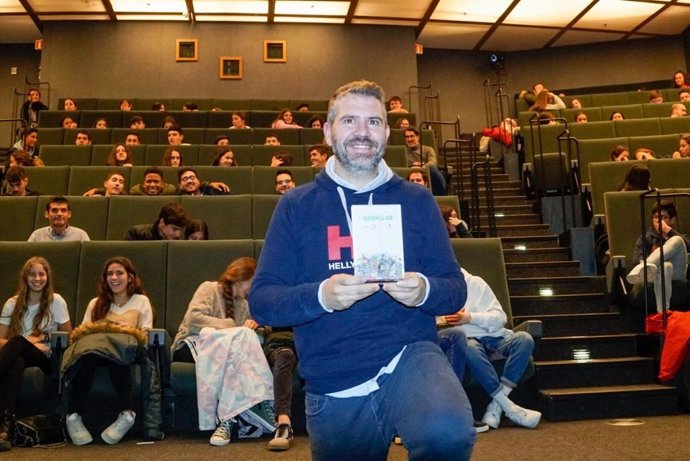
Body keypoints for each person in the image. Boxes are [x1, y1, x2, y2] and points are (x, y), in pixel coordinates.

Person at [249, 79, 475, 461]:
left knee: (447, 432)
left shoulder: (417, 201)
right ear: (327, 131)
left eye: (373, 122)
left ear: (387, 132)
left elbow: (454, 289)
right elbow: (263, 302)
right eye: (350, 120)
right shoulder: (296, 205)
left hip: (409, 355)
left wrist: (424, 291)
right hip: (334, 372)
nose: (362, 132)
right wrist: (321, 296)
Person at [171, 257, 275, 446]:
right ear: (242, 276)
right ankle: (263, 403)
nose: (253, 289)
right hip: (191, 344)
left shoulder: (244, 305)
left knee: (237, 345)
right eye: (253, 282)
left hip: (224, 351)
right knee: (232, 342)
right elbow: (194, 319)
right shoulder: (209, 288)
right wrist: (229, 327)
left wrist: (256, 325)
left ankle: (227, 420)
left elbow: (256, 331)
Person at [63, 257, 153, 446]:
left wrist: (124, 329)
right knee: (86, 355)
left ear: (130, 277)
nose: (114, 277)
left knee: (116, 353)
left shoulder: (141, 301)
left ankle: (127, 414)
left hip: (128, 350)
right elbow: (83, 333)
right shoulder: (95, 303)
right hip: (95, 350)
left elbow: (146, 332)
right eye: (110, 274)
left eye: (119, 273)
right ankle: (73, 416)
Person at [437, 269, 540, 431]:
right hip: (468, 341)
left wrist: (469, 317)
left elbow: (500, 318)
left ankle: (497, 406)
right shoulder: (438, 291)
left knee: (525, 339)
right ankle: (508, 407)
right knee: (469, 347)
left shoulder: (476, 283)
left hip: (496, 337)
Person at [0, 257, 72, 451]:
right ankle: (5, 427)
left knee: (18, 343)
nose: (37, 278)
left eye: (41, 274)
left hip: (45, 359)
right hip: (18, 355)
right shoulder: (11, 303)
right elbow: (0, 341)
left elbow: (68, 336)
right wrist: (27, 342)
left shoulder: (56, 301)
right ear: (25, 277)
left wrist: (43, 337)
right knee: (16, 361)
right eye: (32, 274)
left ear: (47, 277)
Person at [627, 200, 690, 312]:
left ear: (673, 220)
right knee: (665, 266)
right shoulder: (646, 238)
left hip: (676, 275)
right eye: (656, 217)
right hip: (653, 276)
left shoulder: (681, 238)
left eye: (664, 217)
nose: (659, 221)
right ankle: (663, 312)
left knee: (677, 240)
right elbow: (637, 259)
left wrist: (668, 231)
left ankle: (645, 266)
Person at [404, 127, 446, 195]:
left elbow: (432, 162)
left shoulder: (428, 149)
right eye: (407, 137)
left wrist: (422, 166)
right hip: (411, 173)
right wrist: (414, 166)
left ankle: (440, 196)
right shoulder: (403, 152)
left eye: (412, 136)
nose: (409, 139)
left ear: (418, 137)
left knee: (433, 169)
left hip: (427, 172)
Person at [123, 201, 189, 240]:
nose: (178, 235)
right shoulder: (135, 234)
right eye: (174, 229)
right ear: (162, 223)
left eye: (181, 230)